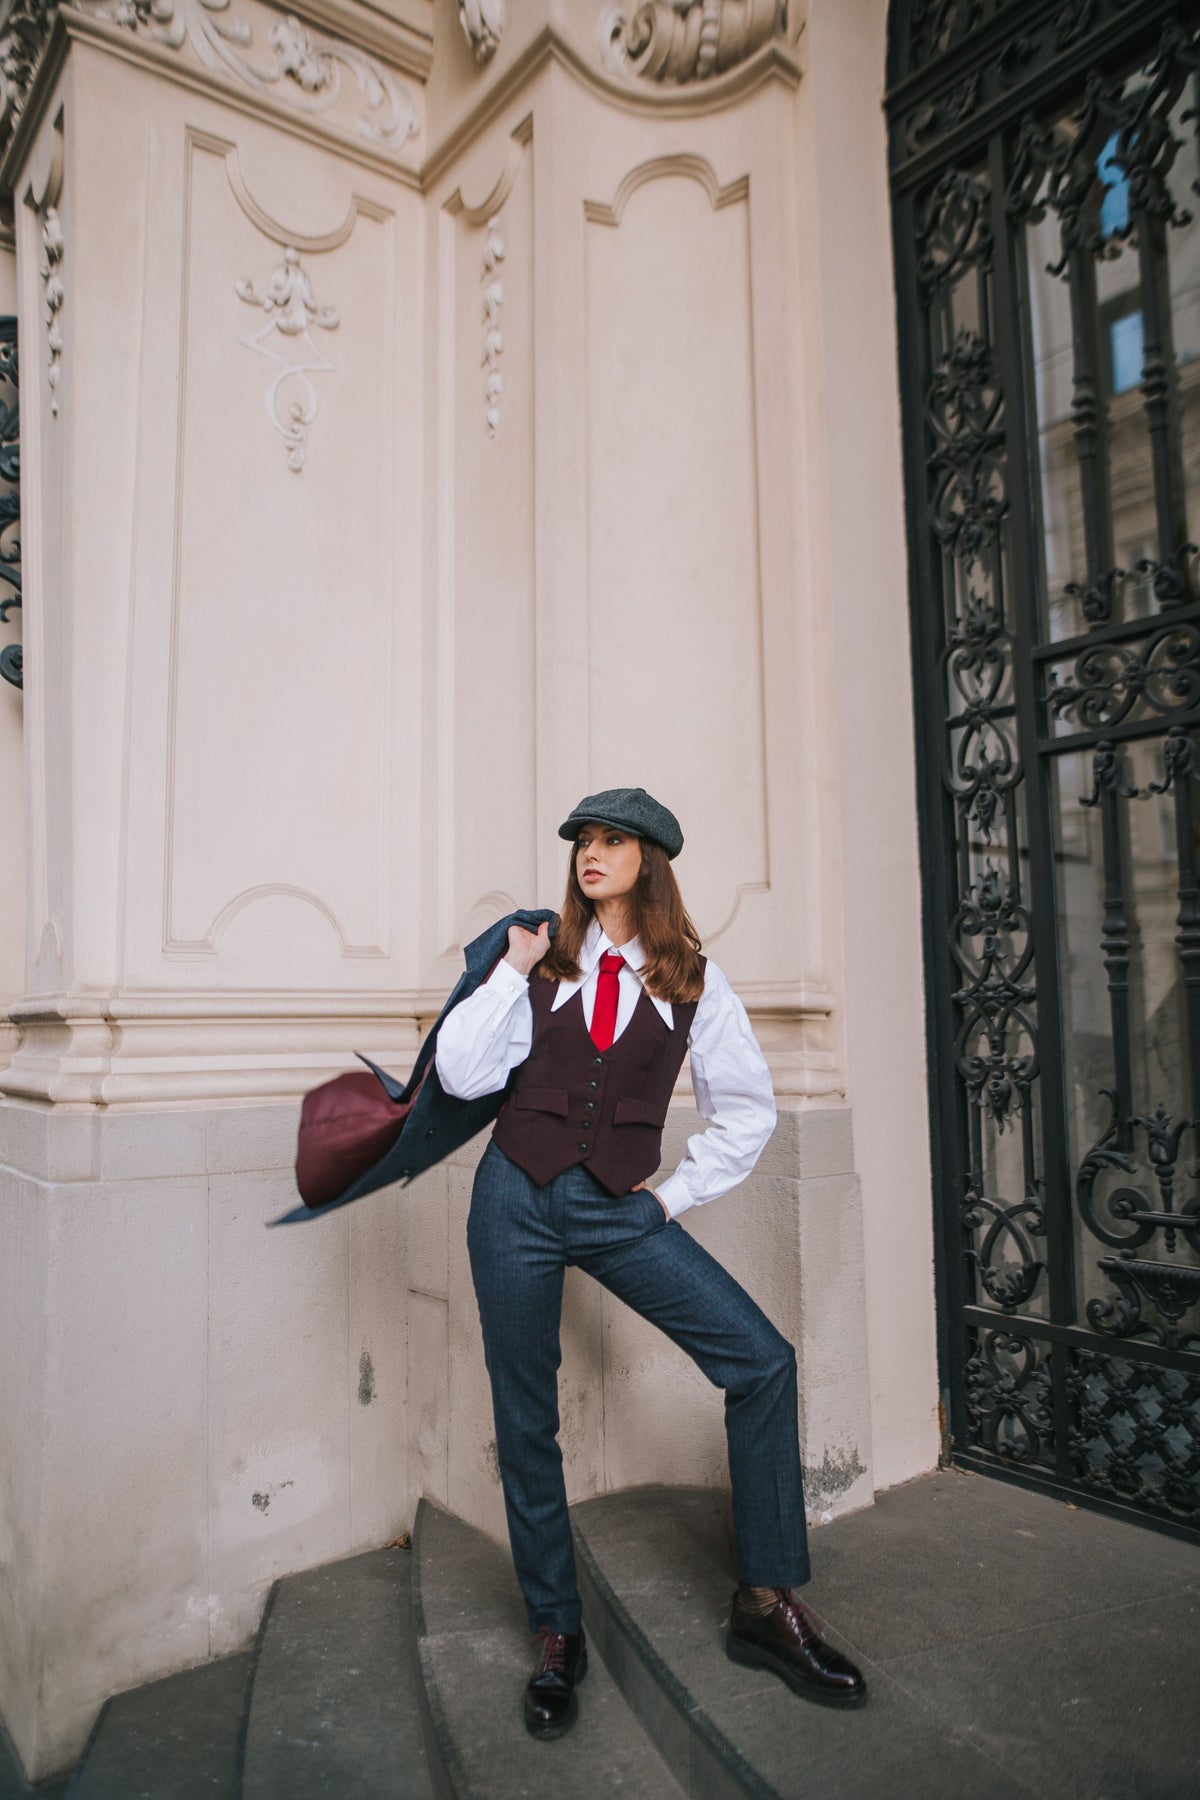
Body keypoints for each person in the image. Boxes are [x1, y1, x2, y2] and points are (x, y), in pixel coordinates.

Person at [435, 787, 866, 1738]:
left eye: (613, 841)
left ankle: (765, 1604)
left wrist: (669, 1199)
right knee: (526, 1417)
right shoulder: (536, 956)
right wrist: (507, 973)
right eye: (584, 840)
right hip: (512, 1201)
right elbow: (464, 1075)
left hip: (615, 1206)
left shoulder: (693, 982)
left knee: (761, 1360)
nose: (592, 854)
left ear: (649, 862)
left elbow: (746, 1110)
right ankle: (557, 1631)